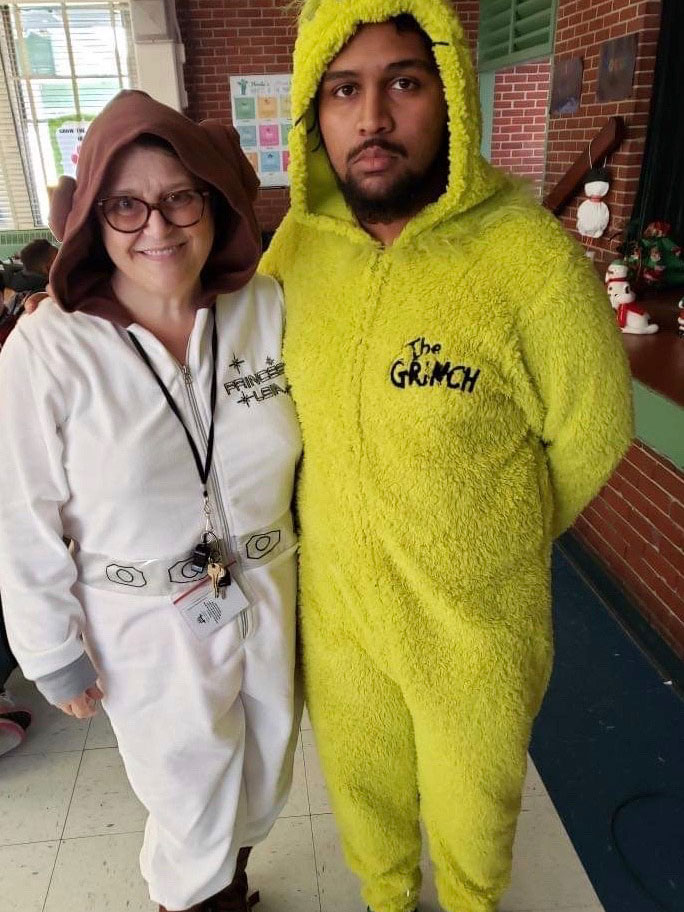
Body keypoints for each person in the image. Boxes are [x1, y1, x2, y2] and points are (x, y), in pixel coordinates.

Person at [260, 2, 633, 912]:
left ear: (452, 98)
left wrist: (503, 531)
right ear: (315, 110)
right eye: (344, 90)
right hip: (340, 614)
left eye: (404, 83)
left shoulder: (526, 256)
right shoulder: (295, 250)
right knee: (365, 798)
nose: (373, 117)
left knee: (473, 821)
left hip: (475, 629)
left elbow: (596, 426)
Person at [0, 90, 301, 912]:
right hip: (144, 618)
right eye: (126, 205)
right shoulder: (50, 345)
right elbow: (18, 512)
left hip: (271, 589)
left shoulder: (263, 310)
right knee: (187, 799)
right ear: (94, 216)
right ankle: (195, 902)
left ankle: (229, 887)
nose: (157, 228)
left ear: (213, 203)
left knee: (264, 772)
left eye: (178, 198)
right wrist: (50, 647)